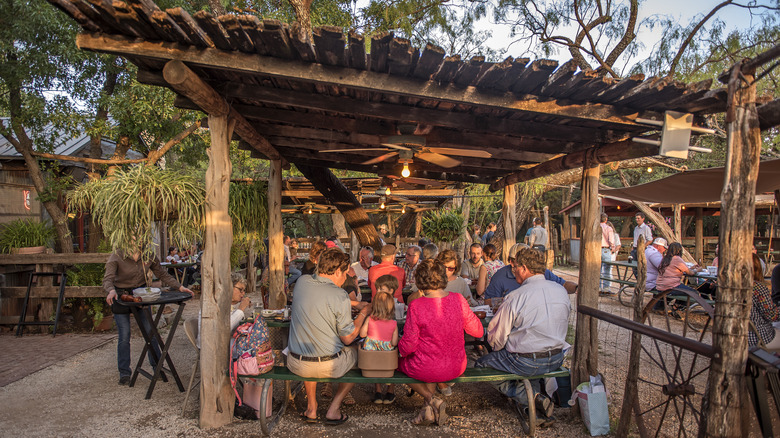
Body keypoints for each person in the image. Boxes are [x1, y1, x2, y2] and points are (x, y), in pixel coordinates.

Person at [475, 247, 570, 427]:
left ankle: (529, 399)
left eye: (516, 267)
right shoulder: (560, 291)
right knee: (529, 369)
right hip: (557, 357)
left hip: (526, 360)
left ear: (524, 268)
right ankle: (536, 404)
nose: (514, 270)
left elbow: (496, 338)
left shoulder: (516, 296)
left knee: (482, 364)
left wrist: (499, 348)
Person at [288, 248, 372, 425]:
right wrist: (363, 312)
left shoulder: (302, 282)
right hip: (327, 365)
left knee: (310, 342)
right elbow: (348, 338)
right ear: (337, 272)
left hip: (295, 363)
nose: (346, 278)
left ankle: (312, 407)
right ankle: (333, 408)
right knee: (359, 352)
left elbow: (322, 298)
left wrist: (354, 304)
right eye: (345, 273)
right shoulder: (339, 294)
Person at [398, 259, 484, 425]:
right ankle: (427, 412)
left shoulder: (416, 305)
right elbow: (478, 331)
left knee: (395, 363)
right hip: (456, 365)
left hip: (428, 366)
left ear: (420, 281)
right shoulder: (459, 299)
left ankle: (432, 399)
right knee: (428, 360)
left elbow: (409, 345)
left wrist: (397, 350)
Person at [103, 248, 193, 385]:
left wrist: (180, 287)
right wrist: (110, 291)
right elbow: (108, 279)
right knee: (124, 336)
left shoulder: (148, 254)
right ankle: (124, 373)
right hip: (121, 296)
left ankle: (157, 367)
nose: (137, 238)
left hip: (141, 295)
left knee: (151, 332)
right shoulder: (117, 255)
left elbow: (162, 274)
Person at [483, 244, 577, 300]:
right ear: (512, 262)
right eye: (522, 260)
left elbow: (563, 285)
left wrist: (577, 288)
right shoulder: (499, 277)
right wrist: (506, 301)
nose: (528, 264)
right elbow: (488, 301)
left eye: (529, 259)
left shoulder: (540, 272)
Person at [360, 276, 400, 404]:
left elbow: (362, 334)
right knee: (394, 353)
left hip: (371, 360)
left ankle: (377, 391)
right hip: (386, 361)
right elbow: (394, 343)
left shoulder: (369, 320)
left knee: (375, 358)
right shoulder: (393, 324)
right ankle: (390, 389)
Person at [750, 253, 780, 350]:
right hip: (758, 338)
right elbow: (772, 316)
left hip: (736, 336)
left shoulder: (731, 288)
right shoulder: (758, 288)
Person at [599, 214, 615, 294]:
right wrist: (613, 248)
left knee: (597, 270)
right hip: (605, 249)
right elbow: (611, 240)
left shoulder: (596, 227)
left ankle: (597, 288)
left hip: (596, 249)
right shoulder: (608, 228)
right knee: (607, 270)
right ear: (606, 219)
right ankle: (606, 288)